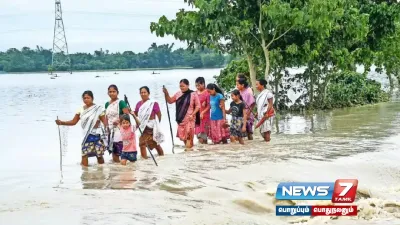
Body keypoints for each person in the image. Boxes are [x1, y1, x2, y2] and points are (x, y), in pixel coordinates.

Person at [55, 91, 107, 167]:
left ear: (92, 98)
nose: (86, 99)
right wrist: (62, 123)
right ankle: (85, 173)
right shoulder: (80, 110)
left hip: (97, 135)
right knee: (84, 154)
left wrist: (105, 131)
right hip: (86, 136)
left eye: (88, 98)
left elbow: (105, 123)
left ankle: (101, 171)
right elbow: (73, 122)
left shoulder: (98, 109)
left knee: (99, 155)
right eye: (84, 98)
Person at [163, 79, 201, 151]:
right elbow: (170, 101)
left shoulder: (193, 94)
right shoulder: (178, 94)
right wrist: (166, 93)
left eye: (183, 86)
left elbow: (198, 106)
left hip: (190, 119)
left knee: (189, 136)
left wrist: (193, 114)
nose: (181, 88)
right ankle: (190, 151)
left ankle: (188, 152)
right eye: (180, 86)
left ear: (188, 85)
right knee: (184, 138)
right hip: (180, 119)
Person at [134, 86, 165, 159]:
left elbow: (159, 114)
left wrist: (157, 125)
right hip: (142, 126)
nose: (143, 94)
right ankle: (144, 160)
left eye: (145, 92)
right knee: (142, 144)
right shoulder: (138, 104)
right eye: (141, 93)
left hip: (151, 127)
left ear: (148, 93)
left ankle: (162, 157)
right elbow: (136, 113)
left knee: (155, 143)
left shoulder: (153, 103)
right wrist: (131, 112)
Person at [105, 84, 130, 163]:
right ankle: (117, 166)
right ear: (108, 93)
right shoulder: (107, 104)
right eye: (110, 92)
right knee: (112, 150)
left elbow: (126, 114)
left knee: (118, 150)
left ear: (117, 92)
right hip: (110, 129)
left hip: (119, 129)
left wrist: (118, 120)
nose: (112, 93)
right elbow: (106, 117)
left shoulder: (121, 102)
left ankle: (120, 170)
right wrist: (106, 127)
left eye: (114, 91)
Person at [195, 77, 211, 144]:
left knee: (202, 136)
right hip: (197, 117)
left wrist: (203, 112)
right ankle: (204, 152)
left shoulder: (207, 93)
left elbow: (209, 105)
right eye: (196, 86)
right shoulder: (195, 93)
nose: (197, 87)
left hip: (205, 117)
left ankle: (202, 152)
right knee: (199, 136)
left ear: (203, 84)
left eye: (199, 85)